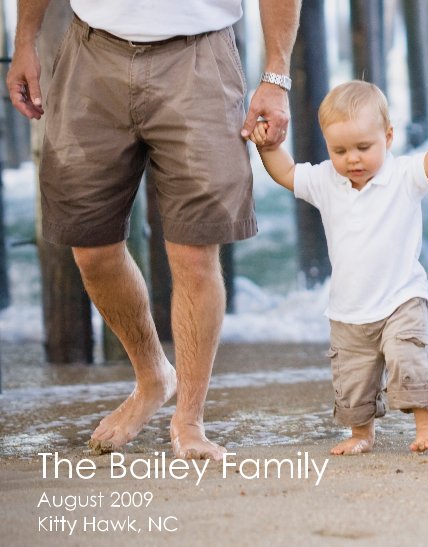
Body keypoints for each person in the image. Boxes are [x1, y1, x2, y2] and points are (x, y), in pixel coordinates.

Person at [6, 0, 301, 461]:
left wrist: (276, 75)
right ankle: (152, 378)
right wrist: (24, 41)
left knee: (194, 251)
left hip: (199, 57)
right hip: (91, 50)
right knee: (91, 247)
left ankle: (189, 420)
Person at [249, 80, 428, 454]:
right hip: (348, 310)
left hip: (402, 299)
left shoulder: (403, 177)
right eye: (339, 150)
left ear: (388, 137)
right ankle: (361, 434)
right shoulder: (326, 180)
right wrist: (268, 146)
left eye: (363, 148)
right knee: (353, 380)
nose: (352, 158)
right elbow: (286, 173)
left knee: (408, 358)